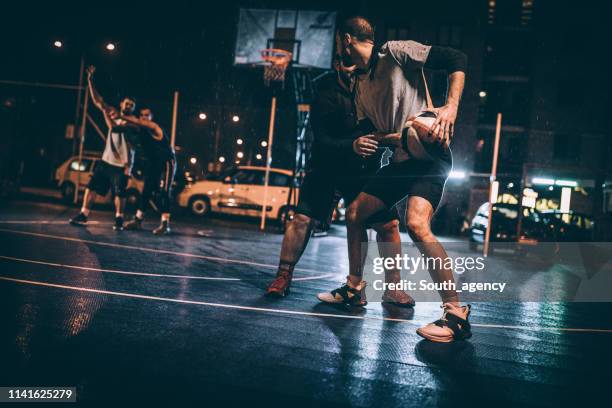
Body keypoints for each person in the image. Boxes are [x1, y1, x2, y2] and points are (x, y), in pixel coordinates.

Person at [319, 16, 471, 342]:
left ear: (346, 40)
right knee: (356, 211)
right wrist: (358, 141)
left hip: (429, 158)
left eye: (338, 43)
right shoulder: (361, 85)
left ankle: (456, 313)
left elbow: (456, 59)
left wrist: (451, 108)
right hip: (400, 158)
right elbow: (366, 129)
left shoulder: (396, 53)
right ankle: (354, 289)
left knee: (417, 224)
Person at [266, 56, 413, 307]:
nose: (354, 69)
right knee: (302, 219)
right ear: (337, 65)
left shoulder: (375, 89)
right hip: (328, 164)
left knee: (389, 226)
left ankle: (393, 288)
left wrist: (391, 142)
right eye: (348, 64)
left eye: (358, 65)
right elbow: (322, 138)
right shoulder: (324, 89)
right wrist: (353, 145)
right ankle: (283, 276)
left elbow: (386, 127)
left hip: (363, 169)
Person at [69, 66, 137, 231]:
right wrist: (90, 80)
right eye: (126, 103)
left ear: (133, 108)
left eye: (131, 105)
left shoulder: (133, 122)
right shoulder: (114, 112)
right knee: (91, 187)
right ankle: (84, 214)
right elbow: (98, 101)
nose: (128, 106)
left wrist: (106, 113)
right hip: (106, 161)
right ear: (122, 104)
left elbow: (113, 128)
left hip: (122, 165)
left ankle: (119, 218)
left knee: (119, 193)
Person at [122, 107, 176, 235]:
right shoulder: (140, 130)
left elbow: (139, 122)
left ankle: (165, 224)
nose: (143, 117)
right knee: (146, 190)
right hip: (153, 163)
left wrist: (121, 115)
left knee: (165, 191)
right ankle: (138, 220)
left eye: (147, 115)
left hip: (167, 162)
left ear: (151, 117)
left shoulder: (155, 128)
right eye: (142, 115)